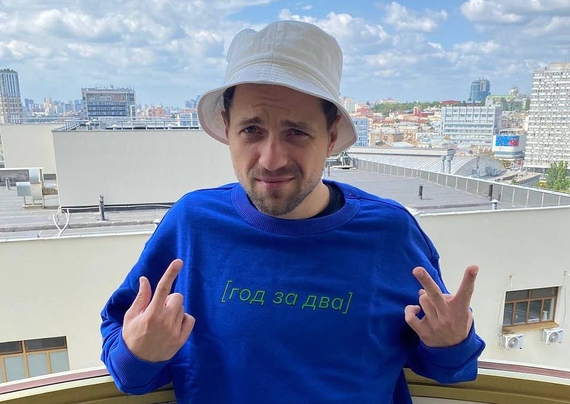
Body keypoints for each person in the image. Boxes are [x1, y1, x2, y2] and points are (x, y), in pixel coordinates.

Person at [100, 20, 485, 403]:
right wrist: (140, 354)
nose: (271, 160)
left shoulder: (390, 233)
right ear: (227, 129)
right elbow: (128, 363)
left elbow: (449, 368)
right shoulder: (192, 224)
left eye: (296, 133)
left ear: (331, 137)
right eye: (252, 130)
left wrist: (453, 342)